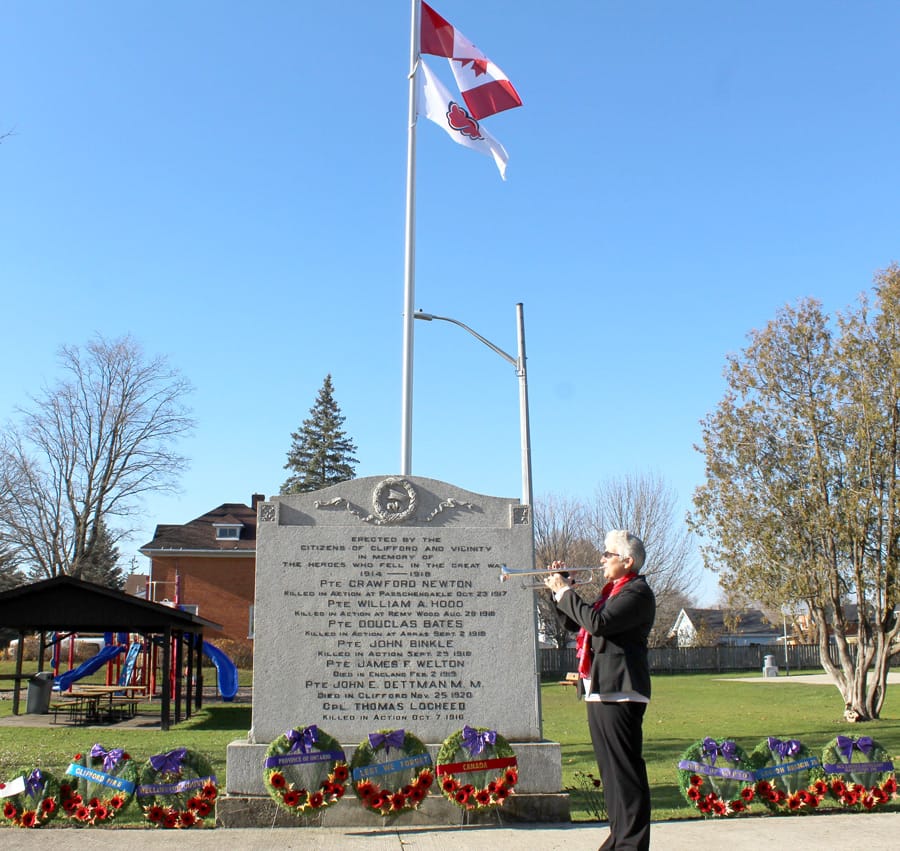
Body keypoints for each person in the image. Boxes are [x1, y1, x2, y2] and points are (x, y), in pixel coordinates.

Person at [544, 530, 655, 851]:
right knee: (612, 777)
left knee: (626, 774)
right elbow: (576, 624)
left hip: (622, 691)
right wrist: (560, 592)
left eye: (609, 554)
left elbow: (598, 624)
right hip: (600, 689)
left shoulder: (637, 593)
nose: (602, 559)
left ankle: (631, 844)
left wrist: (566, 591)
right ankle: (619, 840)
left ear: (628, 561)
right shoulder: (613, 592)